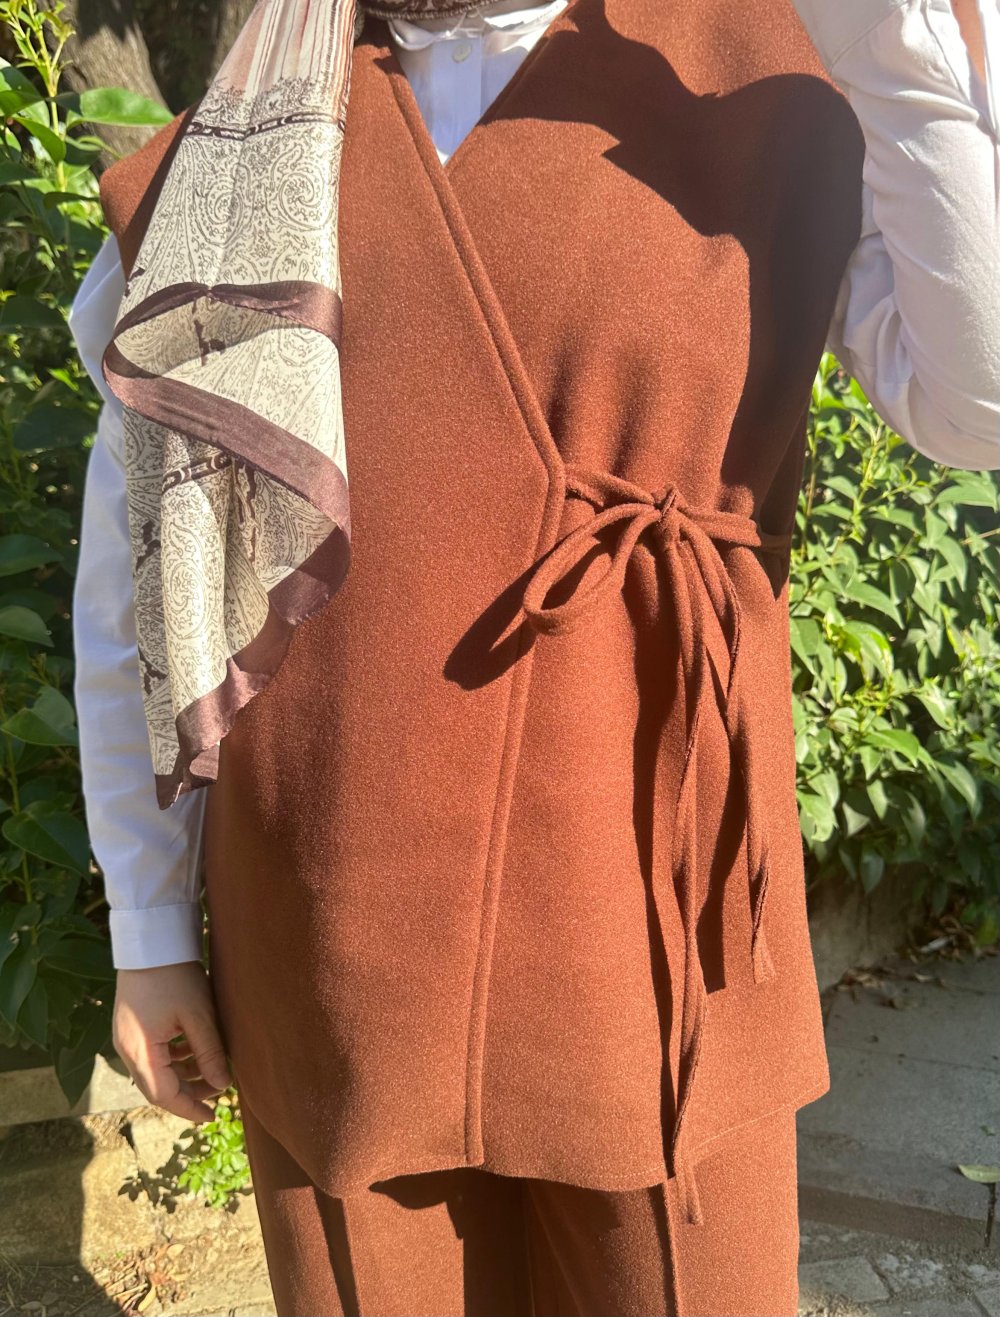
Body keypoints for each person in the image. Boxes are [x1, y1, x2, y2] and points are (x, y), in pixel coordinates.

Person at [69, 2, 999, 1314]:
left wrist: (894, 46)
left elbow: (977, 406)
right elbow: (148, 561)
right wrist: (151, 922)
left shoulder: (793, 57)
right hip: (329, 927)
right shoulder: (247, 133)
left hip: (654, 910)